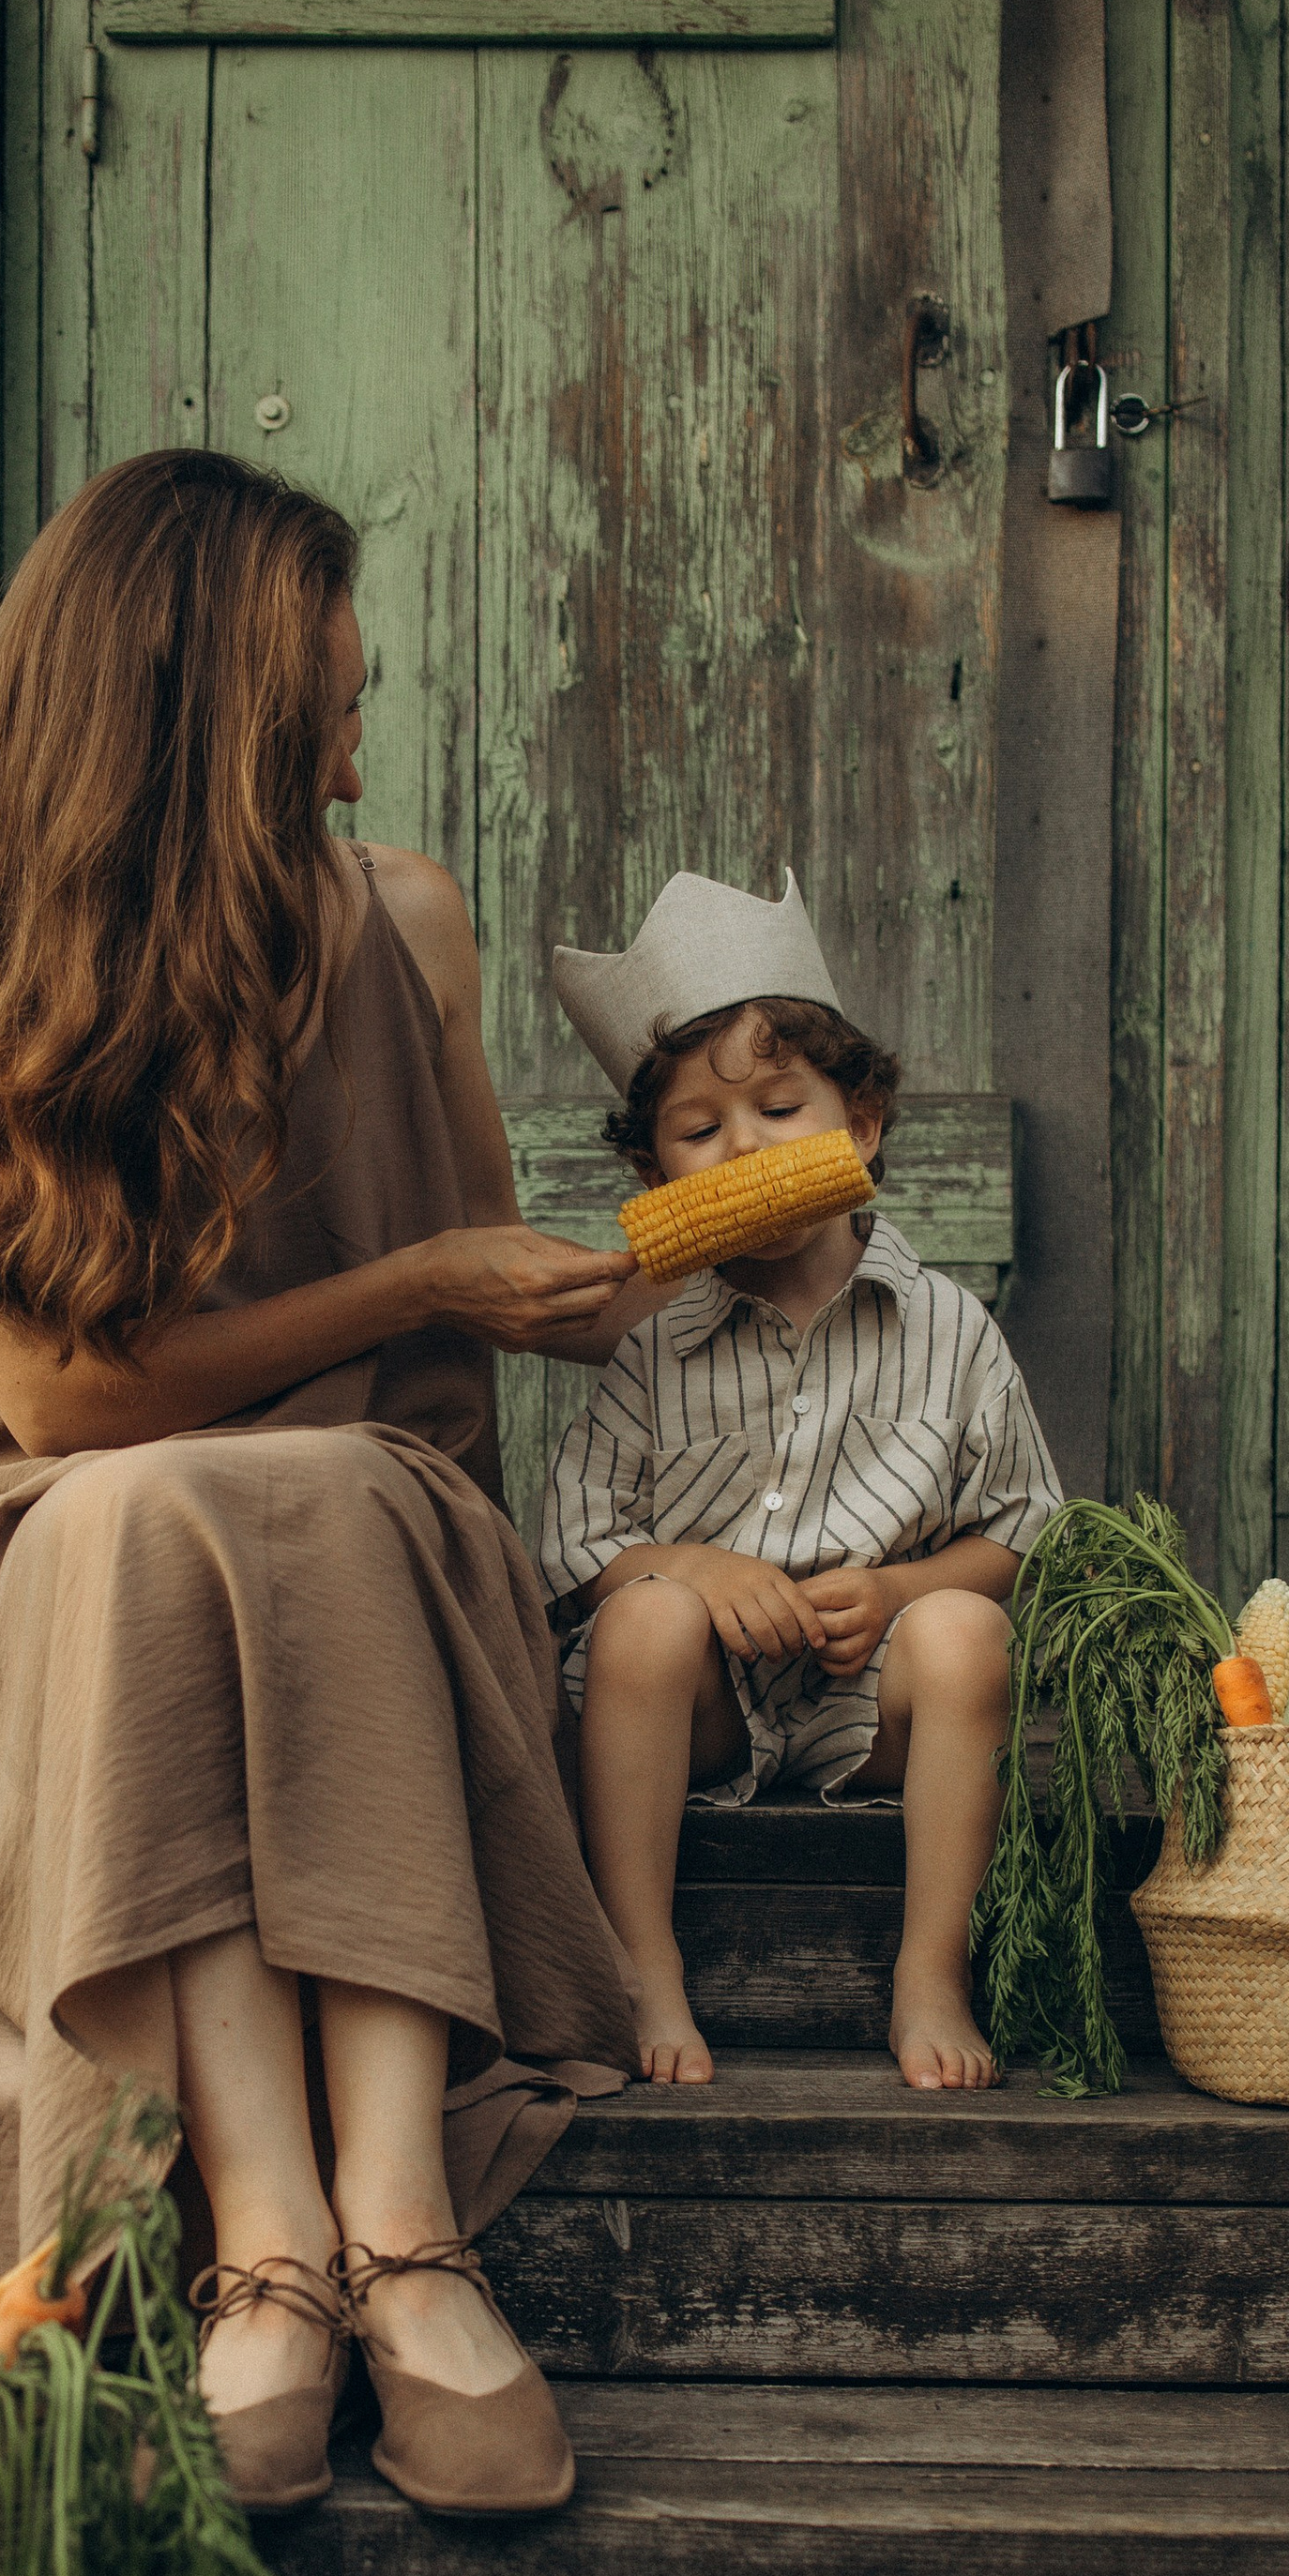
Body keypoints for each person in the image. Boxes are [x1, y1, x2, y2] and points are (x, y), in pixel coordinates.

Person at [0, 451, 640, 2520]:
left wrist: (554, 1285)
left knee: (316, 1498)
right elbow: (71, 1414)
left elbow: (457, 1351)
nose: (363, 756)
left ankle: (361, 2233)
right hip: (62, 1576)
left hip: (385, 1544)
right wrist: (416, 1274)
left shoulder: (408, 922)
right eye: (332, 718)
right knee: (167, 1514)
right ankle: (299, 2236)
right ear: (223, 720)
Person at [539, 870, 1062, 2096]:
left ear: (861, 1125)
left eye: (781, 1107)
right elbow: (575, 1547)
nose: (747, 1147)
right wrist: (699, 1568)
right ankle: (643, 1957)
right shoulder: (653, 1345)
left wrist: (895, 1589)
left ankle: (931, 1967)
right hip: (696, 1707)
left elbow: (1022, 1537)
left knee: (969, 1633)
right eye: (702, 1132)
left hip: (863, 1704)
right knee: (646, 1614)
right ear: (656, 1176)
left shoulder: (947, 1328)